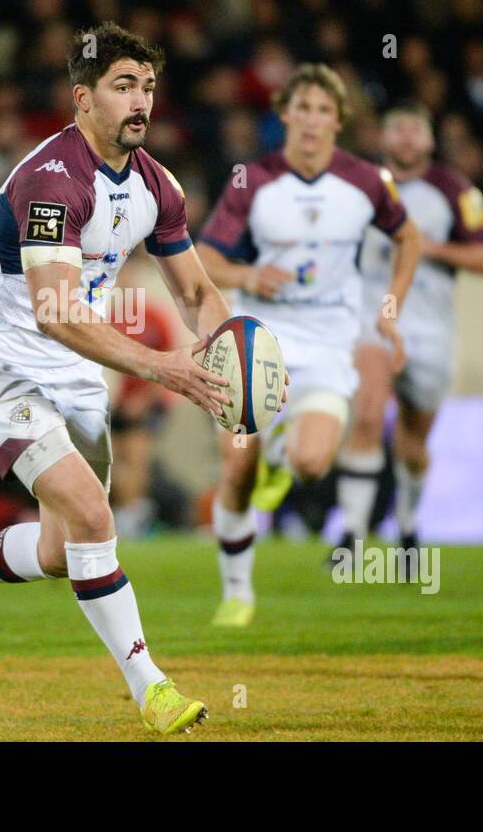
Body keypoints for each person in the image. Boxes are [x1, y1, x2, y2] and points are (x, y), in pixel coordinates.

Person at [0, 22, 258, 734]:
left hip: (75, 373)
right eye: (123, 85)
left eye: (149, 87)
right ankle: (151, 687)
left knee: (61, 551)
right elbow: (55, 312)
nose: (141, 101)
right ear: (82, 98)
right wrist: (163, 366)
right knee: (97, 518)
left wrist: (230, 363)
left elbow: (195, 294)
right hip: (0, 368)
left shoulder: (157, 184)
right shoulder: (50, 181)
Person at [196, 63, 422, 626]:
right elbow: (206, 258)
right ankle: (238, 593)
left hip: (327, 345)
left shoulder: (368, 182)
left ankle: (281, 455)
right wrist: (248, 277)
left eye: (324, 110)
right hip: (259, 337)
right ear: (285, 115)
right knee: (235, 470)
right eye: (303, 108)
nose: (313, 121)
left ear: (338, 121)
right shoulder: (253, 178)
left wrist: (389, 312)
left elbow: (409, 238)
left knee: (314, 462)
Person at [342, 102, 483, 569]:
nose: (408, 138)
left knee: (413, 445)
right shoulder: (361, 184)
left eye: (416, 130)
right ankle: (352, 537)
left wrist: (425, 246)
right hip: (373, 315)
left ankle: (408, 528)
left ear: (431, 142)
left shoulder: (455, 190)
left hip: (430, 325)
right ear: (382, 139)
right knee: (368, 412)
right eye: (398, 129)